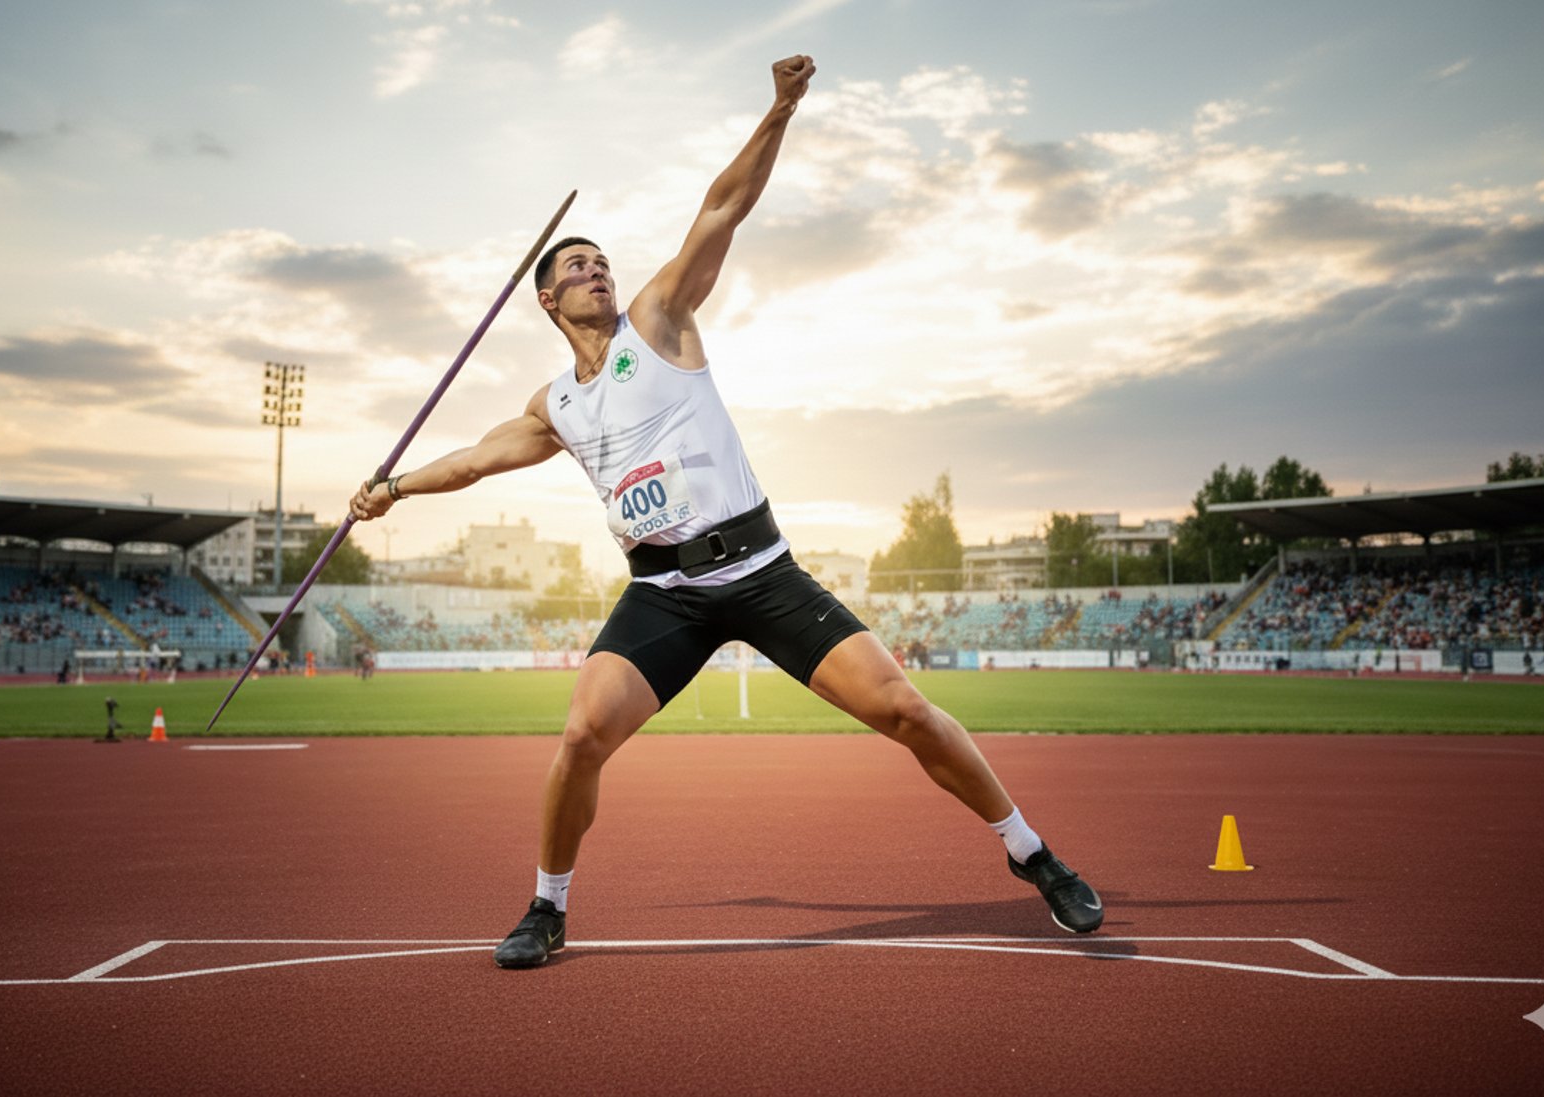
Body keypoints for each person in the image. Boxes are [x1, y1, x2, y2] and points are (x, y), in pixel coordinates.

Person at [348, 56, 1102, 970]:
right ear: (547, 301)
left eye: (601, 262)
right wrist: (392, 490)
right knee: (582, 732)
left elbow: (721, 208)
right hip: (661, 593)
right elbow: (472, 460)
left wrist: (780, 111)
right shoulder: (556, 405)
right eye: (578, 269)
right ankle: (546, 909)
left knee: (903, 707)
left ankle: (1033, 852)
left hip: (758, 571)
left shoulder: (658, 321)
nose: (597, 273)